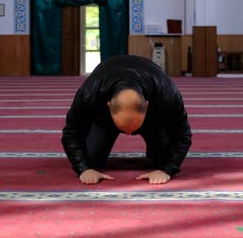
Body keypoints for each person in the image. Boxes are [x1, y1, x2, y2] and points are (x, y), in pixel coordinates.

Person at [61, 54, 192, 185]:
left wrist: (167, 170)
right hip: (105, 122)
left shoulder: (166, 93)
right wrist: (84, 169)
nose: (128, 134)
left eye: (133, 127)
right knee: (91, 160)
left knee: (163, 160)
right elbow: (71, 133)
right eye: (123, 127)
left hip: (153, 122)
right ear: (108, 106)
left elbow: (182, 134)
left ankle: (155, 149)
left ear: (147, 105)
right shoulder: (90, 93)